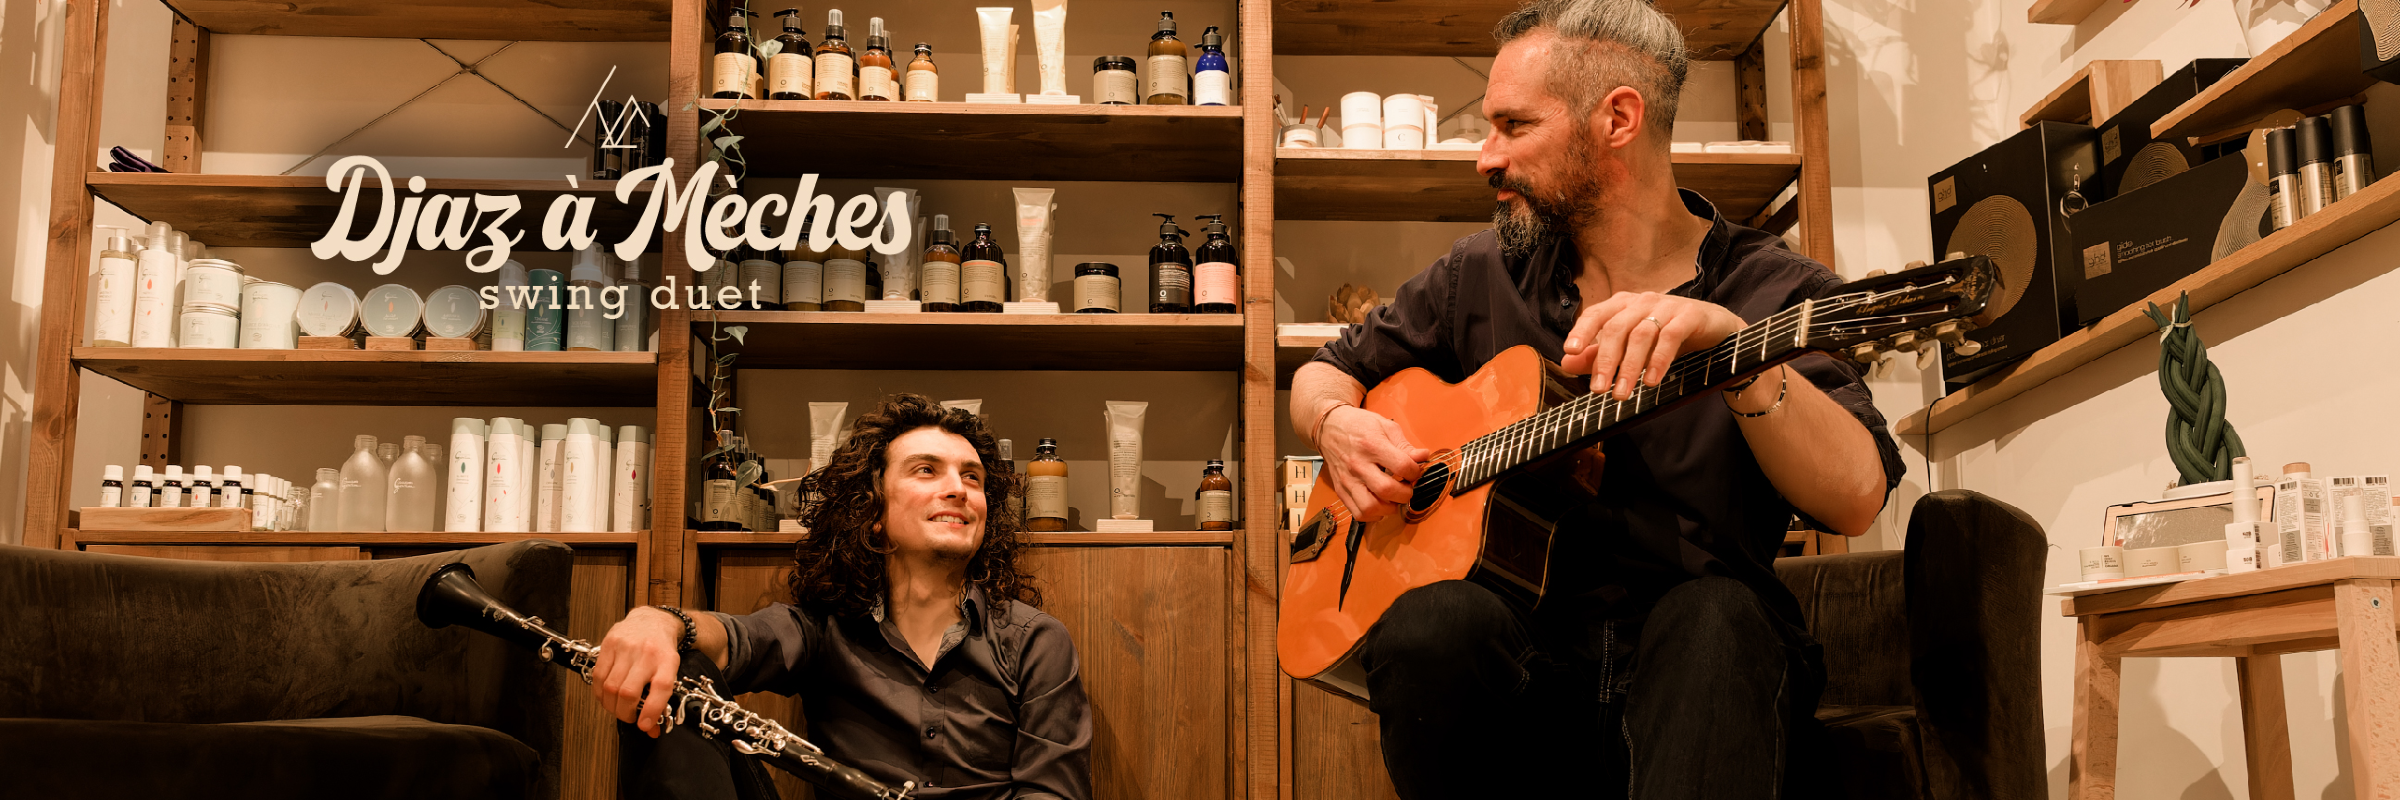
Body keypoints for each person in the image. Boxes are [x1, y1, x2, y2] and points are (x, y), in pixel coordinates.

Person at [1288, 0, 1906, 796]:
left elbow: (1858, 497)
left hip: (1706, 667)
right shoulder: (1478, 275)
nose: (1485, 157)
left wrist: (1733, 350)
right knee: (1433, 622)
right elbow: (1323, 373)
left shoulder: (1776, 291)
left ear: (1617, 118)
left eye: (1513, 126)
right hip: (1527, 668)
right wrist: (1335, 422)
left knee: (1714, 615)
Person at [592, 394, 1093, 800]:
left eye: (972, 477)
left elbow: (1053, 796)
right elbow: (738, 640)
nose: (958, 489)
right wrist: (659, 622)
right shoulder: (822, 628)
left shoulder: (1035, 642)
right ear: (873, 507)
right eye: (926, 470)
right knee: (673, 677)